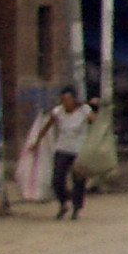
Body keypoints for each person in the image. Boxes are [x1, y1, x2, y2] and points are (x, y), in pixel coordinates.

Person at [30, 86, 94, 220]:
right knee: (57, 179)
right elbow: (46, 127)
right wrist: (36, 142)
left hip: (79, 150)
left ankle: (76, 207)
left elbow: (96, 123)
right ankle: (63, 202)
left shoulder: (84, 110)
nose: (66, 102)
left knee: (78, 180)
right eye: (63, 99)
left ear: (74, 100)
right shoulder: (58, 111)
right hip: (62, 148)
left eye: (68, 99)